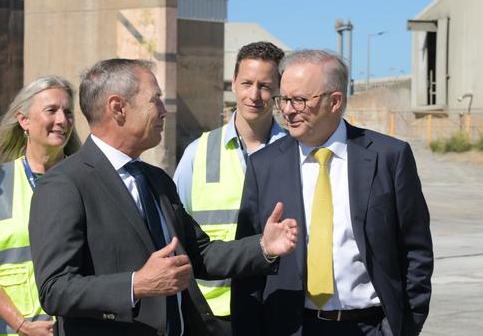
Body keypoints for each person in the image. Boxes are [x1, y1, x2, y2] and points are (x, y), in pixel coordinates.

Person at [27, 58, 297, 336]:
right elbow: (55, 289)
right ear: (118, 108)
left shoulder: (156, 180)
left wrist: (263, 246)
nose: (164, 111)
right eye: (155, 100)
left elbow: (197, 254)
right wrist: (136, 285)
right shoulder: (64, 184)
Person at [232, 50, 433, 336]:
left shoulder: (389, 157)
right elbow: (248, 266)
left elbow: (416, 253)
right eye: (283, 99)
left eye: (299, 100)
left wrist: (402, 329)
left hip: (370, 326)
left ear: (334, 101)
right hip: (290, 327)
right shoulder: (264, 166)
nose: (287, 110)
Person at [172, 41, 286, 333]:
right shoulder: (198, 152)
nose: (254, 95)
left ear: (278, 90)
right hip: (212, 312)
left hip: (277, 305)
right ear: (233, 83)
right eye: (247, 83)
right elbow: (174, 231)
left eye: (264, 85)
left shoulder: (295, 153)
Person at [0, 76, 79, 336]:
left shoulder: (87, 180)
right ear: (24, 120)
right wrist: (21, 325)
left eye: (68, 112)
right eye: (51, 110)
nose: (62, 120)